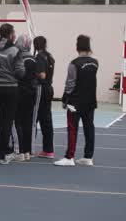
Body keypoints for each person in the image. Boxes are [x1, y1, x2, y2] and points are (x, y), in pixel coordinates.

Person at [55, 35, 98, 167]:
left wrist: (64, 99)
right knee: (89, 127)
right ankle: (88, 156)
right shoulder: (95, 62)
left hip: (75, 102)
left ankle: (69, 157)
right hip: (90, 101)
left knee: (73, 129)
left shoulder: (74, 63)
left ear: (77, 47)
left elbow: (70, 84)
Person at [0, 24, 25, 164]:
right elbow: (20, 71)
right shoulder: (15, 50)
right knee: (6, 121)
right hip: (10, 88)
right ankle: (1, 155)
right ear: (11, 34)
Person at [13, 34, 38, 162]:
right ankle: (28, 151)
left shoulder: (19, 57)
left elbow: (18, 74)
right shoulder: (33, 58)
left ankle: (20, 151)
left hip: (20, 91)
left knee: (18, 121)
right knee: (28, 122)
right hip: (31, 92)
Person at [34, 36, 56, 159]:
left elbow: (42, 75)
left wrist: (33, 71)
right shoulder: (50, 57)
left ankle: (28, 147)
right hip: (49, 88)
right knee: (47, 120)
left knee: (34, 119)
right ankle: (48, 150)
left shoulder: (39, 57)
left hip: (41, 89)